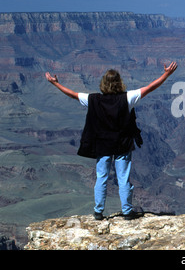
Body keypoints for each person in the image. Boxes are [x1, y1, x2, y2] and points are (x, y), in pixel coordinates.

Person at [45, 62, 178, 220]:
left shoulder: (92, 99)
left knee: (101, 177)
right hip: (122, 144)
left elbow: (73, 94)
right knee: (124, 179)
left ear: (103, 83)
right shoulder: (127, 98)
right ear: (119, 83)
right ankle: (127, 212)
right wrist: (166, 75)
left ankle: (98, 212)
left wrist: (56, 84)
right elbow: (150, 88)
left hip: (102, 145)